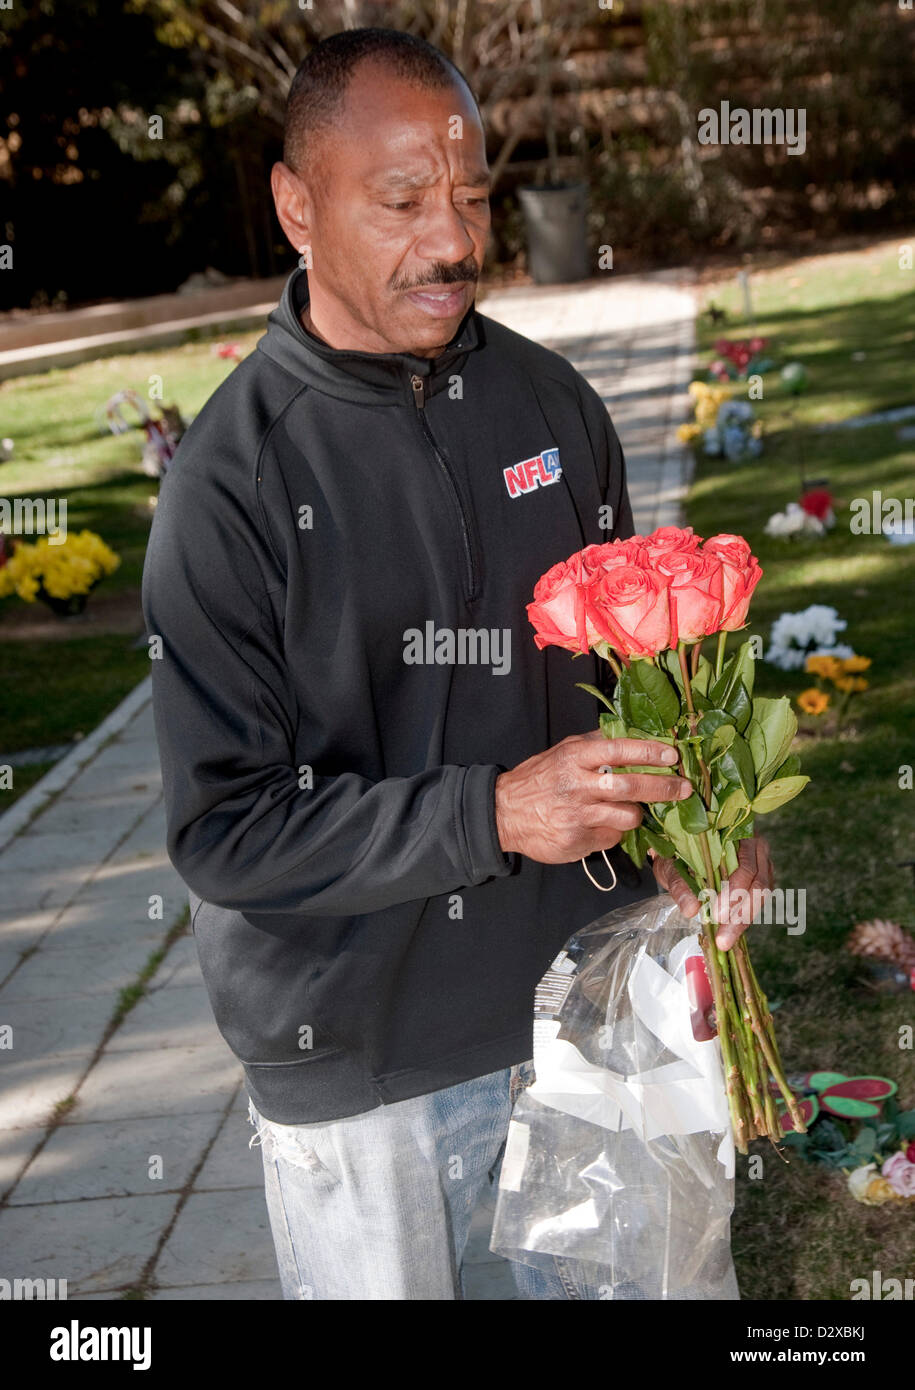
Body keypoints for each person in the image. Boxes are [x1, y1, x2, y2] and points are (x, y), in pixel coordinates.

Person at [141, 26, 773, 1301]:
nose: (453, 237)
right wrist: (495, 811)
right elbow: (227, 831)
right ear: (295, 207)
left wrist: (704, 823)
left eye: (472, 194)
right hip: (363, 1059)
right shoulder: (230, 487)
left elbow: (629, 682)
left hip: (588, 1010)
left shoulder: (552, 406)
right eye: (404, 202)